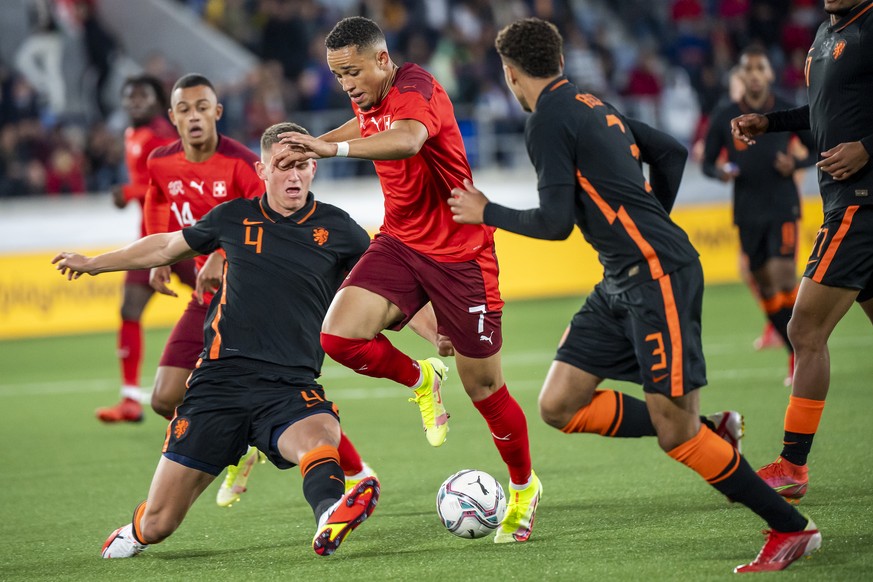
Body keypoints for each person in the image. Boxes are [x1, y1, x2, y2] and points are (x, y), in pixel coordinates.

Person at [448, 18, 820, 573]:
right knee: (559, 404)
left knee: (676, 435)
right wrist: (648, 222)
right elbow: (668, 151)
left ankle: (792, 529)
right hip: (623, 277)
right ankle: (713, 428)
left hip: (654, 275)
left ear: (509, 73)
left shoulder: (547, 119)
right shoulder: (591, 103)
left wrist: (487, 212)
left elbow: (554, 224)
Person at [52, 122, 379, 559]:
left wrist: (436, 328)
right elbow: (165, 246)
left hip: (288, 384)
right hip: (218, 386)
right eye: (283, 166)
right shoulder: (233, 218)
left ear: (314, 167)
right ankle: (134, 530)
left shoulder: (340, 230)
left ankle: (329, 514)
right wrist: (95, 263)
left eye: (302, 164)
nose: (294, 175)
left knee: (321, 433)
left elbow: (382, 286)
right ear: (261, 170)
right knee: (160, 523)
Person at [272, 16, 541, 544]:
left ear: (382, 60)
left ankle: (524, 488)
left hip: (462, 254)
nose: (347, 85)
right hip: (400, 241)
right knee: (338, 337)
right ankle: (422, 380)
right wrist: (317, 143)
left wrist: (333, 151)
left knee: (485, 388)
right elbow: (369, 125)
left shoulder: (417, 88)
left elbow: (408, 139)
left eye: (352, 72)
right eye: (337, 76)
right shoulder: (369, 95)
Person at [140, 73, 373, 507]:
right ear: (172, 117)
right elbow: (156, 199)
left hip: (244, 291)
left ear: (217, 112)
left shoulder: (245, 162)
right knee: (164, 396)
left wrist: (216, 255)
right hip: (206, 303)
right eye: (185, 110)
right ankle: (235, 442)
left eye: (202, 107)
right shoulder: (159, 161)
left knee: (286, 397)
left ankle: (348, 471)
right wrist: (161, 257)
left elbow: (258, 224)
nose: (194, 117)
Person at [731, 0, 873, 504]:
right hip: (847, 200)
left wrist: (868, 147)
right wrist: (768, 123)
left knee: (803, 329)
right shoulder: (823, 34)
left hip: (861, 203)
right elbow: (821, 113)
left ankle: (792, 465)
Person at [702, 46, 817, 385]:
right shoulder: (724, 115)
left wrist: (794, 163)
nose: (754, 74)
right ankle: (792, 350)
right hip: (747, 210)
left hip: (783, 204)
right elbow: (707, 161)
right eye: (748, 68)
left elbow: (815, 148)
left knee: (783, 276)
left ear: (769, 74)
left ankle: (803, 350)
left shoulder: (784, 109)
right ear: (741, 76)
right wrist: (720, 171)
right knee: (765, 285)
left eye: (760, 68)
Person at [95, 75, 195, 424]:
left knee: (221, 302)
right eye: (129, 96)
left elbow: (171, 178)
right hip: (151, 239)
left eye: (143, 95)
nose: (135, 101)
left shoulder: (159, 135)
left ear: (156, 102)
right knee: (129, 308)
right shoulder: (132, 134)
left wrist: (130, 192)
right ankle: (129, 400)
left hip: (182, 238)